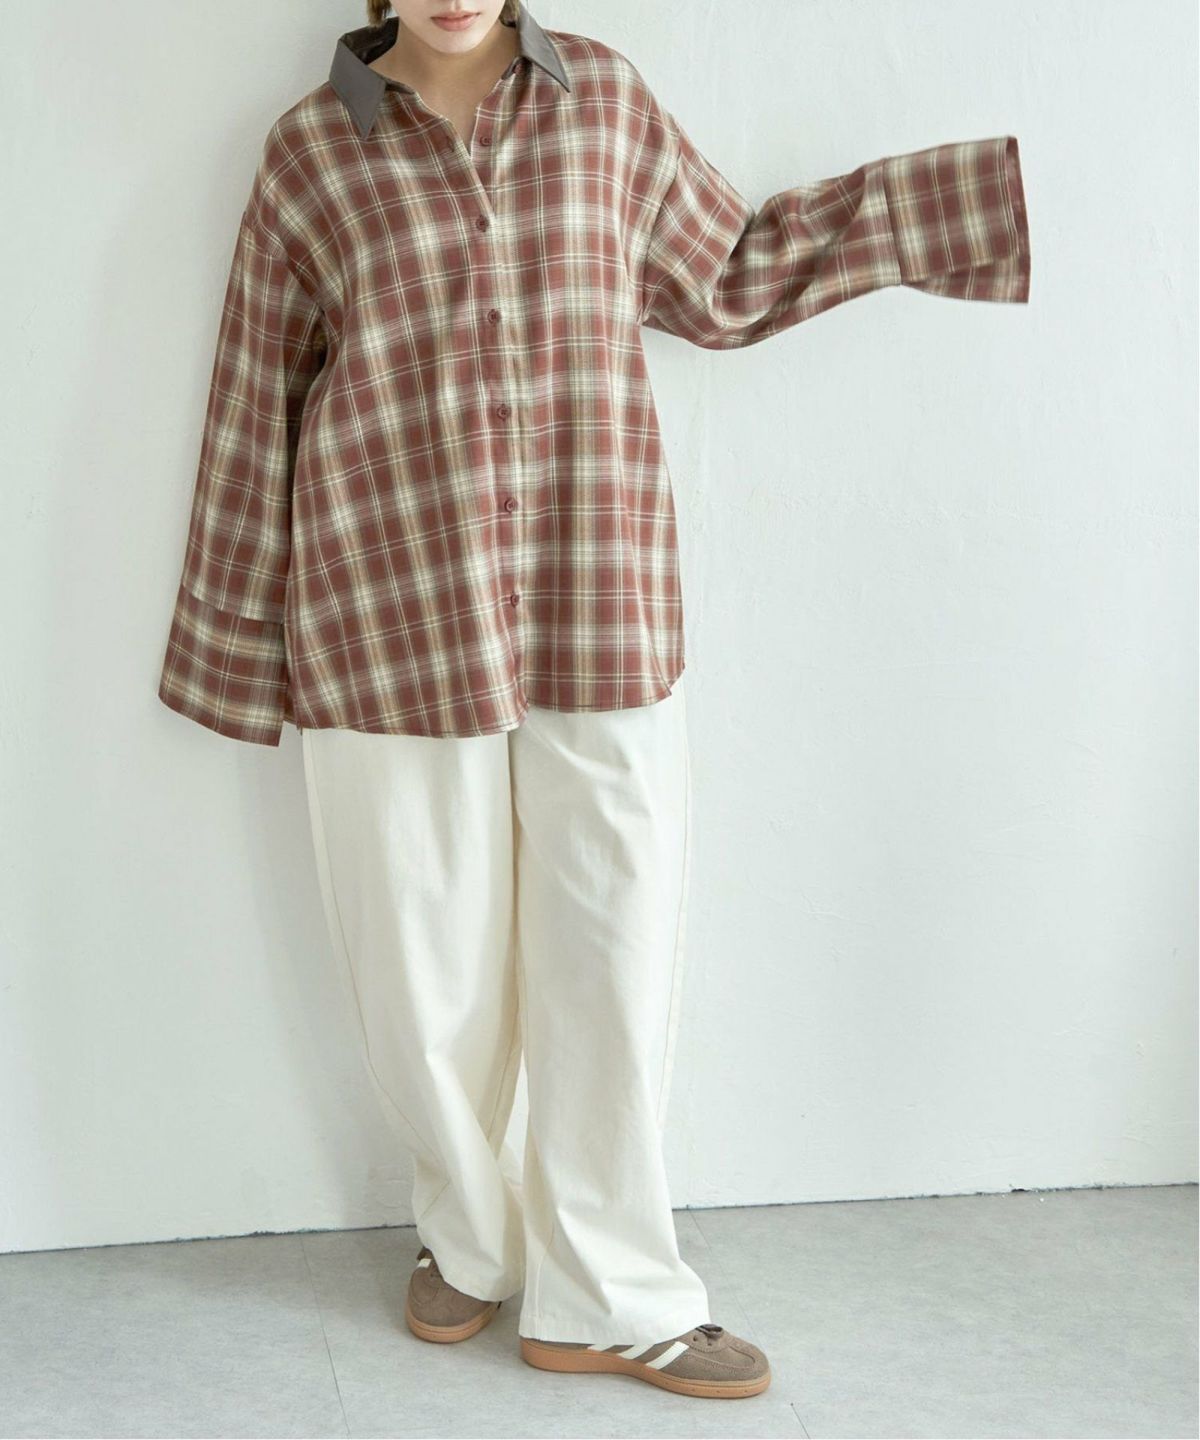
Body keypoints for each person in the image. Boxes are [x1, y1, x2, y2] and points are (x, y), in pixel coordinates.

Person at [157, 0, 1031, 1401]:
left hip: (595, 597)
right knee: (422, 973)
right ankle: (469, 1238)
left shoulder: (605, 105)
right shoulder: (311, 151)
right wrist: (232, 647)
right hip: (387, 606)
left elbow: (727, 272)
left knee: (613, 952)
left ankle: (609, 1296)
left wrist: (959, 207)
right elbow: (258, 392)